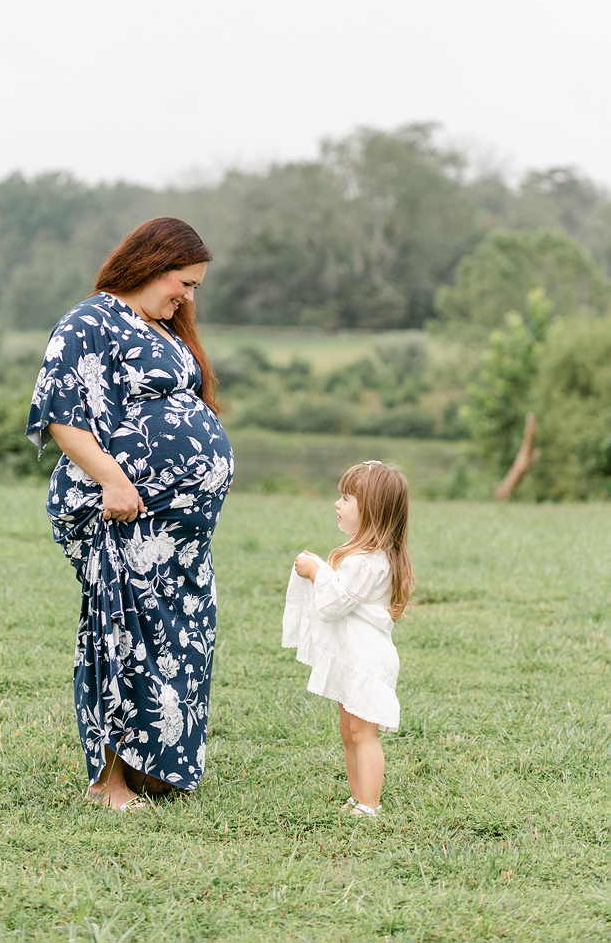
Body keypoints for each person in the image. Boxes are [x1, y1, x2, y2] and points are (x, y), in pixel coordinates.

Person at [26, 217, 233, 811]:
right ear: (152, 263)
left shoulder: (160, 327)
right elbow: (63, 416)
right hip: (124, 516)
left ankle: (154, 763)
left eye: (195, 288)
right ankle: (106, 781)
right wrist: (113, 480)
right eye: (184, 283)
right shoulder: (89, 322)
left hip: (178, 534)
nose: (188, 297)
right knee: (122, 634)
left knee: (179, 637)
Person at [282, 461, 414, 819]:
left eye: (345, 498)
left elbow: (336, 603)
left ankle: (370, 804)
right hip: (353, 655)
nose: (337, 505)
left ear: (370, 511)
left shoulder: (370, 562)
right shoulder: (361, 554)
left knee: (363, 733)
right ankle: (358, 797)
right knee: (349, 730)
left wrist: (318, 571)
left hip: (366, 660)